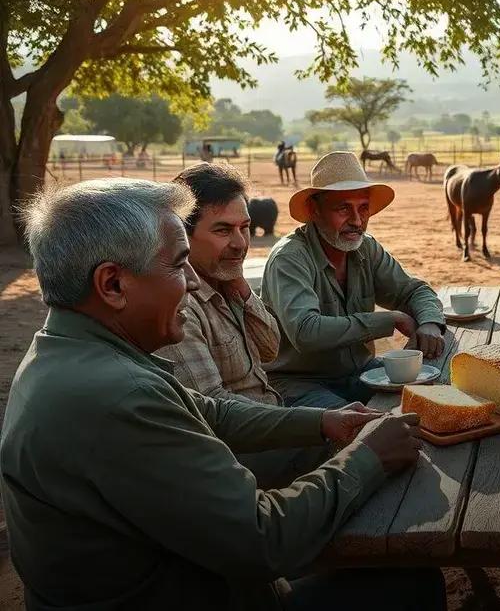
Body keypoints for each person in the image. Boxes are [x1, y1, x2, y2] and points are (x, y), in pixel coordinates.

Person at [1, 177, 442, 610]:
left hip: (189, 574)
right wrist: (366, 458)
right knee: (411, 580)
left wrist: (326, 422)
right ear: (113, 285)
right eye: (178, 265)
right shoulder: (118, 395)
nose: (193, 283)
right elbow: (263, 538)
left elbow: (208, 410)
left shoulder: (74, 353)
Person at [155, 162, 326, 488]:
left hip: (272, 418)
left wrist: (243, 291)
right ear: (182, 236)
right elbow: (214, 409)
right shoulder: (180, 305)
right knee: (354, 446)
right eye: (223, 231)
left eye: (244, 228)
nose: (240, 243)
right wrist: (315, 424)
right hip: (237, 453)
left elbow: (270, 349)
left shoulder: (225, 280)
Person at [262, 151, 445, 410]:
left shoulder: (366, 248)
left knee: (435, 396)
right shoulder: (289, 258)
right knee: (363, 426)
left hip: (360, 372)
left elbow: (414, 290)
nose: (357, 221)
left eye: (363, 208)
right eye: (343, 208)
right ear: (315, 210)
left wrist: (430, 323)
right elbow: (306, 332)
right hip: (299, 383)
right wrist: (390, 320)